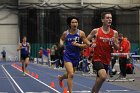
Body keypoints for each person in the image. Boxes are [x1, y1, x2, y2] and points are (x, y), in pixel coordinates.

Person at [87, 12, 119, 93]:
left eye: (111, 18)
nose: (109, 19)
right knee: (103, 76)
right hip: (97, 58)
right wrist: (91, 44)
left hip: (107, 59)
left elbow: (117, 47)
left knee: (100, 80)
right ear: (102, 20)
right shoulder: (96, 31)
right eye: (107, 18)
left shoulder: (114, 33)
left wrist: (114, 42)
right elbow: (86, 39)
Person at [58, 16, 91, 93]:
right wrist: (61, 44)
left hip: (76, 56)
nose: (74, 23)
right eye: (73, 22)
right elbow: (61, 39)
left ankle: (61, 78)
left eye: (76, 22)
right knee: (71, 74)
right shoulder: (66, 33)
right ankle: (70, 91)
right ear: (70, 24)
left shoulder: (81, 33)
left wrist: (78, 45)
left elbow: (86, 44)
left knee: (70, 74)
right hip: (67, 55)